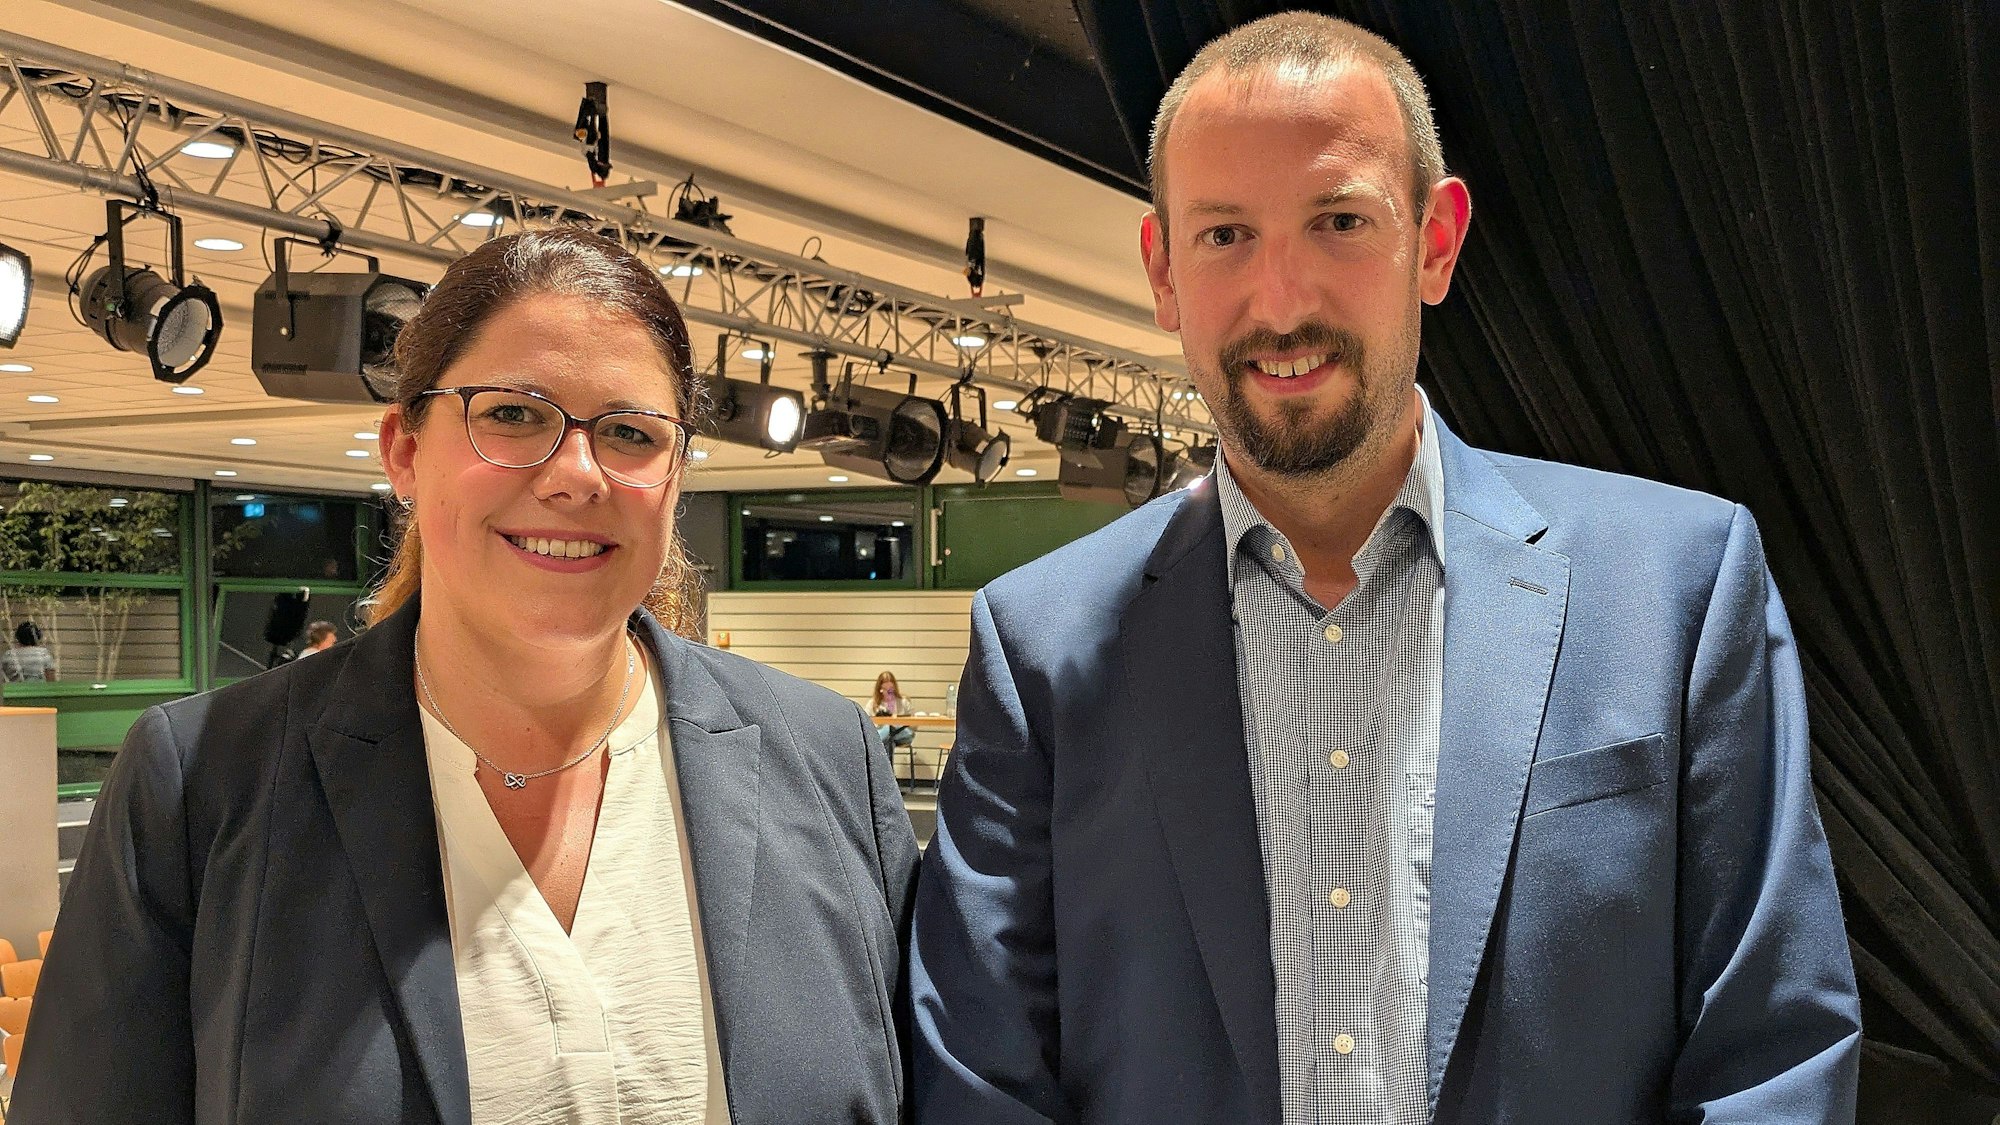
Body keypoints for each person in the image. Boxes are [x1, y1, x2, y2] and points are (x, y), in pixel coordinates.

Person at [910, 12, 1860, 1125]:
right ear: (1163, 269)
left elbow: (1773, 1056)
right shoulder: (1037, 647)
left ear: (1435, 241)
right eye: (1224, 236)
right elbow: (982, 1077)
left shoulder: (1679, 590)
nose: (1281, 302)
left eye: (1338, 221)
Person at [14, 228, 919, 1124]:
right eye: (513, 414)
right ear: (404, 451)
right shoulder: (204, 783)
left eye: (630, 432)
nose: (576, 473)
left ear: (677, 475)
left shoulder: (829, 761)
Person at [871, 669, 916, 755]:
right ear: (880, 689)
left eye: (891, 689)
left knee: (889, 730)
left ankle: (875, 744)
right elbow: (866, 722)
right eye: (885, 689)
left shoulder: (903, 702)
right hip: (883, 735)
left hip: (903, 734)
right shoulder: (873, 704)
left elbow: (914, 724)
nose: (888, 692)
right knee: (888, 740)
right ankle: (888, 768)